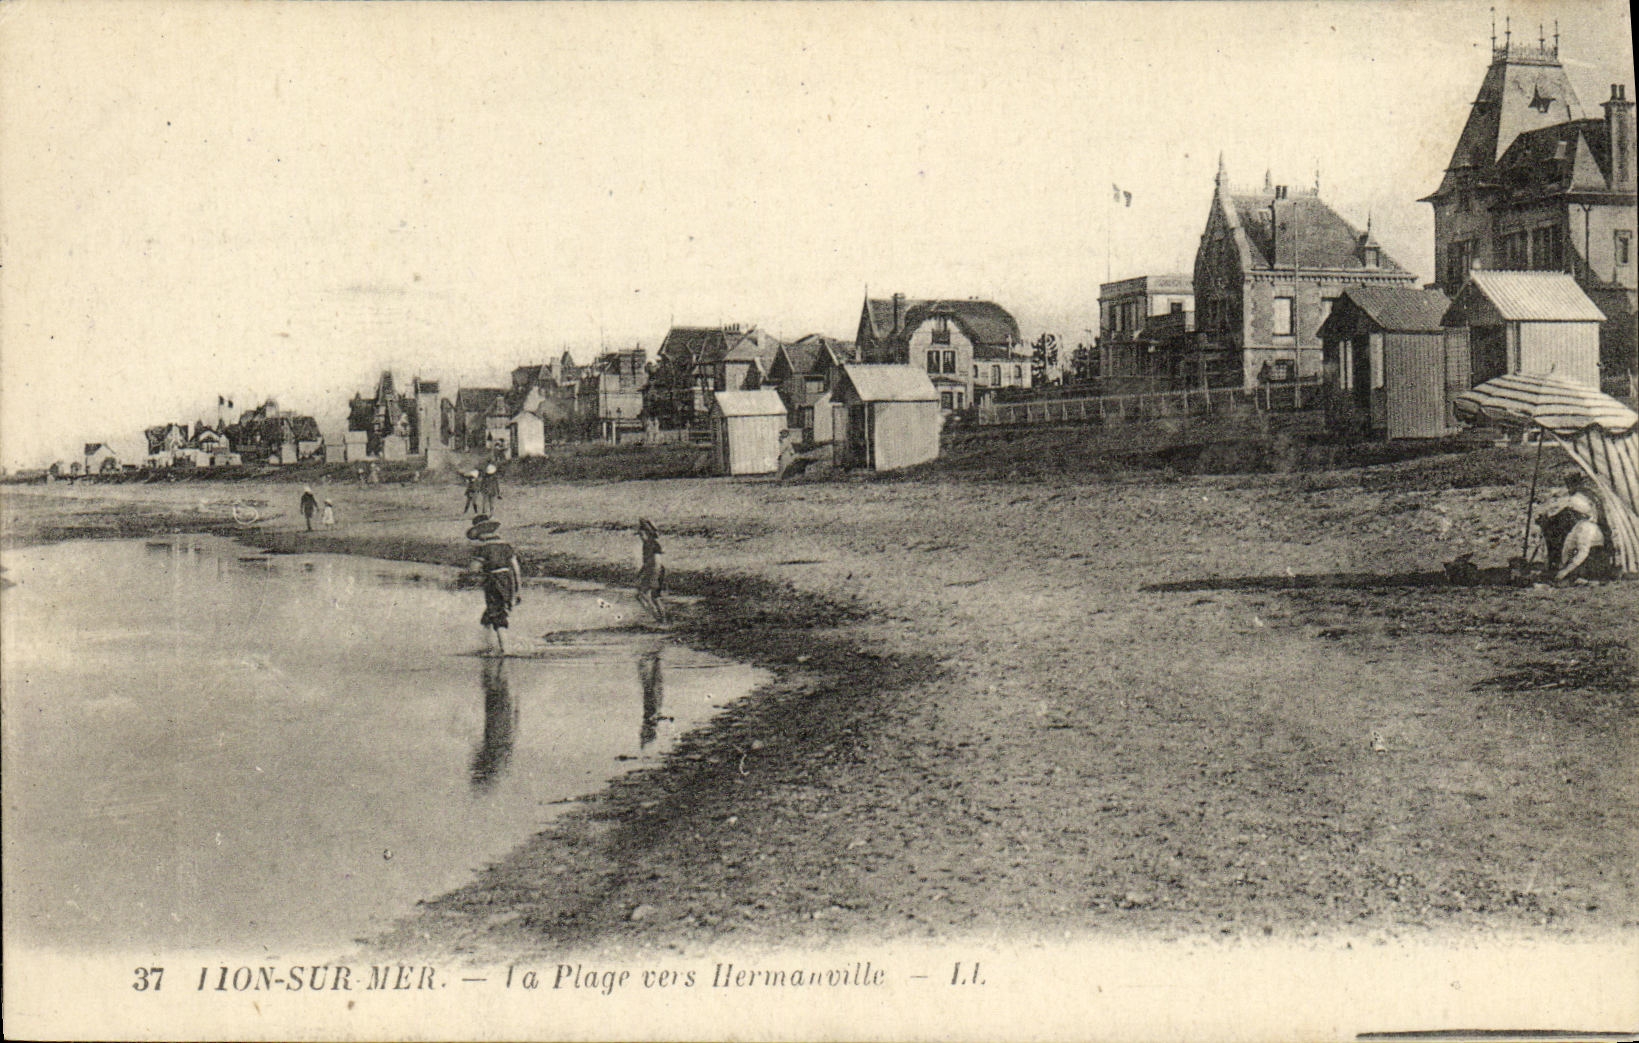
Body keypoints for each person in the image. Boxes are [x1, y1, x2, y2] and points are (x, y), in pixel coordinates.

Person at [467, 515, 522, 655]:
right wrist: (517, 590)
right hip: (508, 580)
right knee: (488, 616)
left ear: (481, 532)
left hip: (493, 581)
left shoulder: (483, 548)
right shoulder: (505, 546)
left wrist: (470, 576)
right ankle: (489, 645)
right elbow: (516, 569)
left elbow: (473, 569)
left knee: (497, 615)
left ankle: (505, 649)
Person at [1539, 471, 1608, 581]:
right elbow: (1568, 547)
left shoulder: (1587, 525)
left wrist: (1564, 571)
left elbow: (1583, 552)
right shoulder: (1588, 495)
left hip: (1593, 552)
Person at [635, 518, 667, 623]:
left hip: (655, 571)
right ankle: (661, 619)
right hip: (656, 570)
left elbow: (654, 562)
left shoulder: (651, 544)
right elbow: (648, 562)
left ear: (648, 533)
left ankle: (658, 618)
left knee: (642, 595)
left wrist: (649, 574)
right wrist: (641, 573)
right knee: (653, 597)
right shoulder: (649, 544)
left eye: (641, 534)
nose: (640, 536)